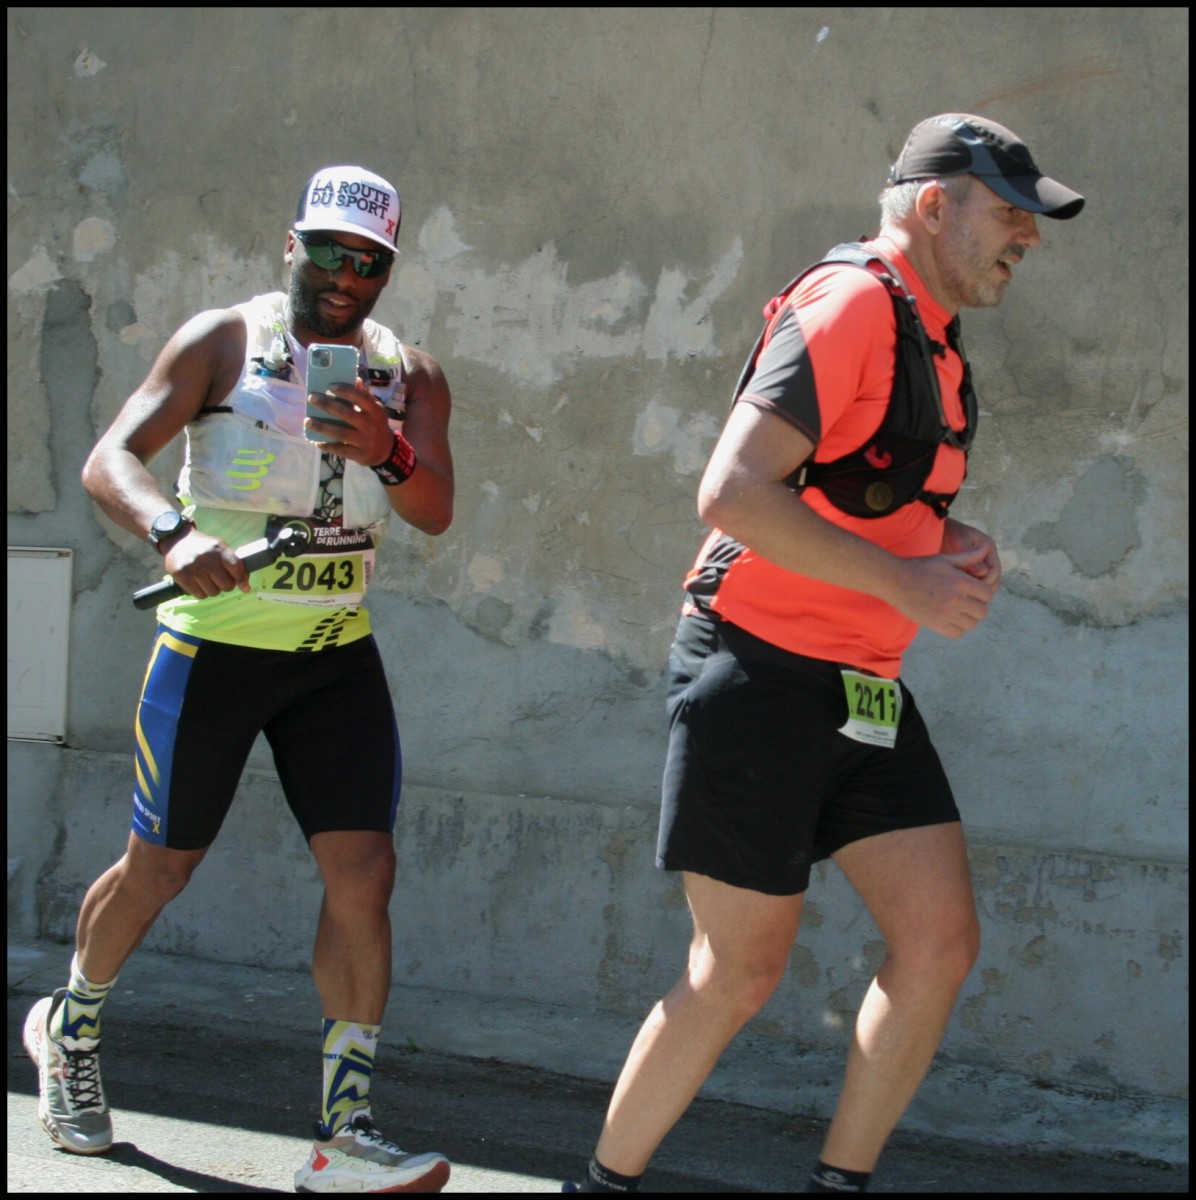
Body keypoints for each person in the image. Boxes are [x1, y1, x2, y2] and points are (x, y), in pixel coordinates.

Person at [565, 115, 1084, 1194]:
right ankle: (600, 1187)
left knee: (939, 943)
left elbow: (849, 490)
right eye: (1008, 214)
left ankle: (836, 1187)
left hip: (863, 688)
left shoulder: (933, 336)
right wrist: (904, 581)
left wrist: (942, 539)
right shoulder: (850, 303)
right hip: (758, 673)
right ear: (932, 203)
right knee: (736, 972)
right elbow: (732, 492)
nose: (1027, 238)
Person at [23, 165, 455, 1194]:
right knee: (159, 870)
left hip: (333, 659)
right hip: (213, 652)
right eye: (329, 252)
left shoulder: (411, 374)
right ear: (292, 245)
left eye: (369, 263)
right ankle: (69, 1030)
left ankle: (344, 1133)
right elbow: (110, 459)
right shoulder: (222, 341)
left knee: (365, 875)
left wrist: (389, 450)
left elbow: (435, 510)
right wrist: (172, 534)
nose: (345, 276)